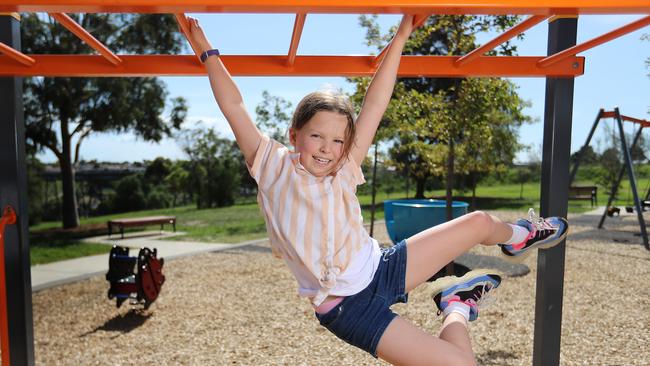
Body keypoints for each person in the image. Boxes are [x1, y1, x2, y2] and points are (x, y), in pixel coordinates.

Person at [187, 15, 569, 366]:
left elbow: (375, 103)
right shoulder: (272, 167)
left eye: (338, 140)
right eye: (316, 136)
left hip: (382, 268)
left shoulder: (345, 168)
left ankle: (520, 236)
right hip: (349, 309)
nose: (327, 148)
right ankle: (456, 305)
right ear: (294, 136)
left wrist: (401, 35)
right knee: (462, 365)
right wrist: (207, 52)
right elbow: (234, 106)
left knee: (481, 221)